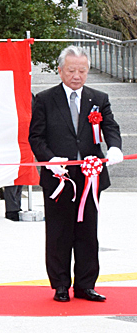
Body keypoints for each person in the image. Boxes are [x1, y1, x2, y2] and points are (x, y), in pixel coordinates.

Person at [28, 45, 124, 303]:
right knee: (59, 233)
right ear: (60, 71)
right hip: (59, 178)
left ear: (88, 70)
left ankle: (85, 285)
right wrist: (50, 160)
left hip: (90, 177)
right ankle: (60, 284)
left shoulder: (98, 98)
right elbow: (35, 137)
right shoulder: (45, 99)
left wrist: (114, 147)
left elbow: (110, 127)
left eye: (82, 70)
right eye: (71, 70)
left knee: (87, 232)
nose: (76, 76)